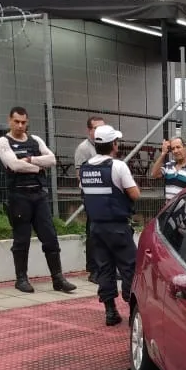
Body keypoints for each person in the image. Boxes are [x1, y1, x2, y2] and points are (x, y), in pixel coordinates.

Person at [0, 106, 76, 294]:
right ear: (10, 120)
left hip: (39, 196)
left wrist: (30, 160)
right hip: (19, 196)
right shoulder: (3, 141)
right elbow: (14, 165)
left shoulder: (35, 140)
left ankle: (58, 278)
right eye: (16, 121)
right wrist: (39, 166)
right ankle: (21, 279)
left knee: (50, 237)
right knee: (21, 240)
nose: (20, 125)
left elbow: (52, 160)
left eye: (23, 122)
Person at [78, 124, 141, 327]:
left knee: (104, 269)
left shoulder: (85, 167)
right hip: (118, 227)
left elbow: (85, 193)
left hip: (95, 227)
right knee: (130, 267)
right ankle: (133, 311)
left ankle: (110, 312)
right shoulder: (118, 166)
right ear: (113, 144)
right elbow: (134, 194)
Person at [74, 115, 106, 283]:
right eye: (96, 128)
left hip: (105, 194)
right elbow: (79, 175)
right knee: (93, 231)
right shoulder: (83, 148)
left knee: (105, 232)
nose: (100, 131)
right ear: (89, 130)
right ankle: (93, 270)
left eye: (102, 128)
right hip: (91, 195)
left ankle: (105, 268)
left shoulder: (105, 147)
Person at [150, 136, 186, 201]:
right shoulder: (169, 165)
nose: (175, 151)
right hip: (170, 210)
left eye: (178, 147)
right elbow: (154, 174)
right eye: (173, 149)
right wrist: (163, 153)